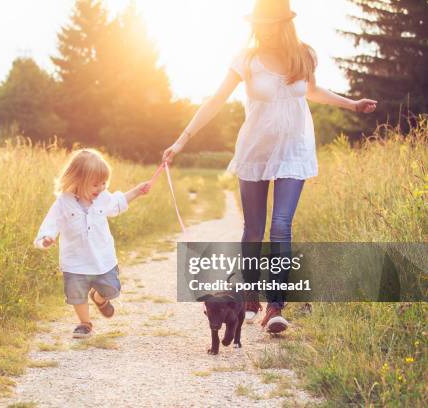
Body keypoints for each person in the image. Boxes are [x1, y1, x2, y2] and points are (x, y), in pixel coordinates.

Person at [162, 0, 377, 333]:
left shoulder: (304, 55)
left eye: (269, 22)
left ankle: (275, 306)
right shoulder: (245, 59)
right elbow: (216, 99)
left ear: (283, 23)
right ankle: (249, 295)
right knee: (253, 229)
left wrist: (352, 104)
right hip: (256, 151)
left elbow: (313, 90)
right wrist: (181, 140)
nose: (262, 28)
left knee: (281, 226)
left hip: (294, 149)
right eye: (258, 22)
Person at [34, 149, 151, 338]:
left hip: (103, 259)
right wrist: (45, 239)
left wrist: (137, 191)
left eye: (104, 183)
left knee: (112, 289)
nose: (101, 188)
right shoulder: (64, 202)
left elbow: (118, 203)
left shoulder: (103, 198)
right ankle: (84, 324)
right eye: (95, 184)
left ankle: (99, 297)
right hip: (75, 262)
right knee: (76, 294)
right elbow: (51, 223)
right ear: (77, 181)